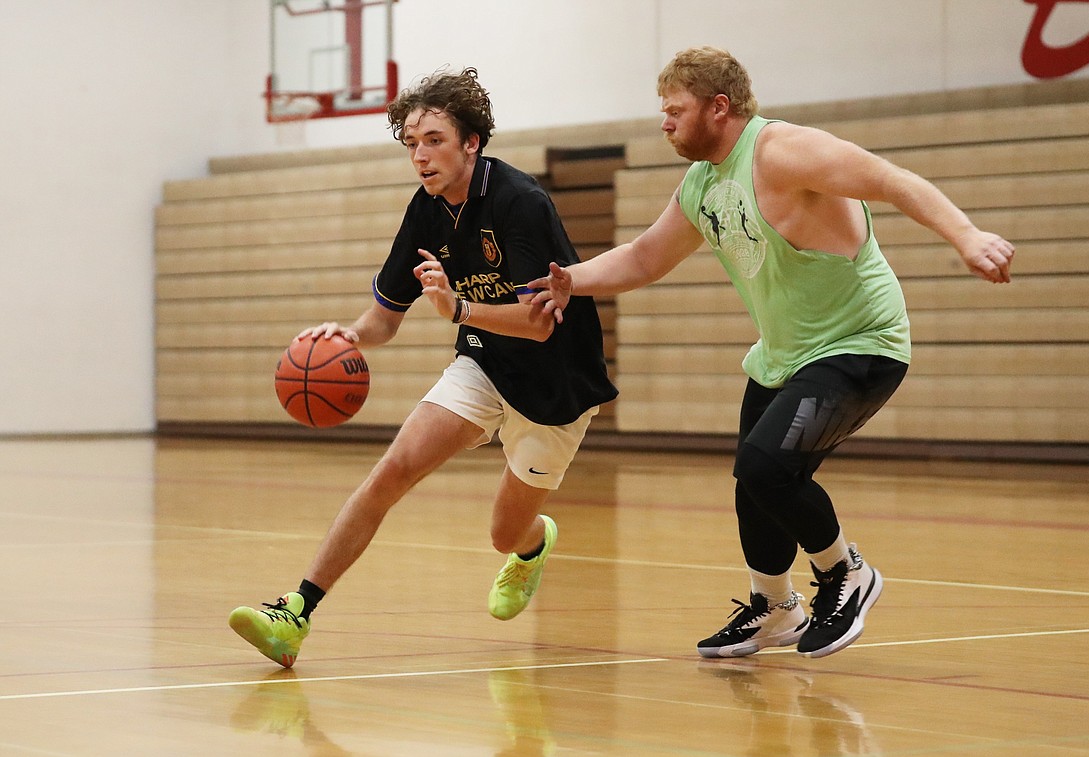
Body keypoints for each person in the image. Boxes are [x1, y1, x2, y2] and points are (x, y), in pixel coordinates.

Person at [529, 46, 1014, 659]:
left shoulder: (782, 152)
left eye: (676, 110)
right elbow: (647, 256)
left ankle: (847, 573)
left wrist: (967, 235)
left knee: (766, 467)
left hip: (859, 343)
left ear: (719, 107)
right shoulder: (704, 181)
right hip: (783, 356)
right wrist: (573, 280)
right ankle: (775, 608)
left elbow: (890, 179)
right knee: (752, 482)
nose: (665, 122)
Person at [229, 68, 617, 668]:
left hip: (556, 385)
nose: (420, 155)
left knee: (504, 535)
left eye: (433, 139)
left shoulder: (521, 202)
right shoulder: (426, 210)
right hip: (484, 366)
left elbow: (540, 322)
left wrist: (459, 307)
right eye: (411, 142)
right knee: (392, 471)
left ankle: (533, 544)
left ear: (472, 142)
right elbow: (386, 317)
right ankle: (295, 613)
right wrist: (349, 334)